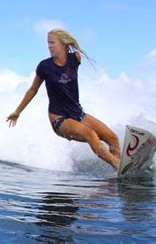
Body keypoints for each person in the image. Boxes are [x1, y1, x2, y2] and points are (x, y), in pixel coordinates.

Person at [6, 28, 121, 170]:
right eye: (48, 43)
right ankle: (118, 164)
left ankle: (120, 171)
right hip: (59, 119)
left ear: (64, 44)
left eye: (52, 42)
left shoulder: (75, 59)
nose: (49, 46)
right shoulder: (44, 66)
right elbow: (32, 90)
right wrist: (17, 111)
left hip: (78, 114)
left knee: (113, 138)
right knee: (90, 134)